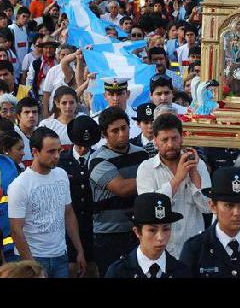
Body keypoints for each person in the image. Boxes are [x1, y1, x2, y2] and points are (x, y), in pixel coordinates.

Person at [8, 126, 86, 278]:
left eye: (59, 150)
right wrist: (32, 266)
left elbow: (68, 213)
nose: (57, 156)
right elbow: (16, 230)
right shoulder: (19, 185)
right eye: (51, 151)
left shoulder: (62, 175)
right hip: (33, 258)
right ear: (35, 152)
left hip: (60, 256)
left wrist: (79, 250)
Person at [136, 113, 211, 258]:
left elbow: (207, 207)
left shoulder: (197, 164)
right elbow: (150, 210)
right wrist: (178, 178)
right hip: (161, 250)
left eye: (174, 138)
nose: (170, 145)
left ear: (181, 137)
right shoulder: (146, 168)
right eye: (164, 140)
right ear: (155, 141)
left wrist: (194, 173)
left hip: (193, 248)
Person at [89, 106, 149, 276]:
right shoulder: (98, 160)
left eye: (124, 128)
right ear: (104, 134)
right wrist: (154, 178)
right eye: (115, 130)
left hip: (137, 231)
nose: (122, 134)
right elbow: (122, 188)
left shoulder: (142, 154)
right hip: (109, 234)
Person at [105, 192, 190, 278]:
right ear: (137, 232)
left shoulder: (182, 272)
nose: (160, 237)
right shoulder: (119, 272)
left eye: (166, 229)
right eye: (152, 230)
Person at [58, 115, 100, 277]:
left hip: (93, 226)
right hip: (69, 226)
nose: (83, 149)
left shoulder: (99, 159)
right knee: (71, 269)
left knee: (92, 269)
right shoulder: (62, 161)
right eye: (80, 144)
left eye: (87, 145)